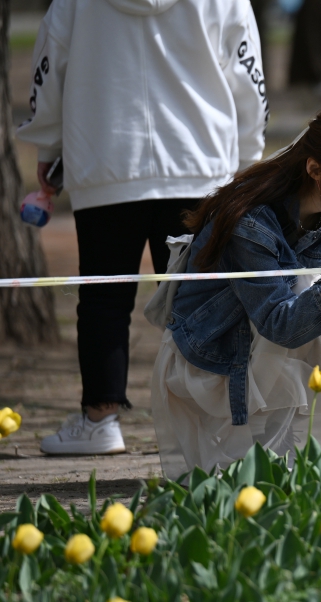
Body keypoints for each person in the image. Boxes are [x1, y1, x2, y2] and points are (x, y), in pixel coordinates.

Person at [17, 0, 269, 455]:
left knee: (104, 296)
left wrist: (48, 145)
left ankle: (100, 419)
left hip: (105, 159)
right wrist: (248, 155)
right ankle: (214, 421)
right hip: (201, 164)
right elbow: (246, 72)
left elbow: (49, 68)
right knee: (202, 302)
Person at [150, 103, 321, 479]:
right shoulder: (253, 219)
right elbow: (279, 323)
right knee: (304, 286)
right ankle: (261, 455)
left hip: (274, 341)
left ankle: (280, 450)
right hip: (218, 350)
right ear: (314, 169)